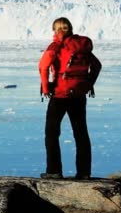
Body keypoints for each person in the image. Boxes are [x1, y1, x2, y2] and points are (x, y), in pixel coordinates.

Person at [38, 17, 102, 179]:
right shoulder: (82, 46)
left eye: (54, 29)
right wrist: (88, 83)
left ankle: (54, 171)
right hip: (79, 95)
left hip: (60, 94)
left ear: (56, 30)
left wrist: (46, 87)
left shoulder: (56, 46)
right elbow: (97, 66)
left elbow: (43, 66)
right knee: (81, 133)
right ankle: (84, 173)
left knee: (51, 133)